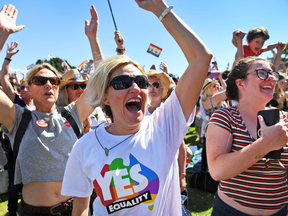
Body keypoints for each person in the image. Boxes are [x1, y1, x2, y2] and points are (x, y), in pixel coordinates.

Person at [61, 0, 212, 215]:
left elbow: (201, 59)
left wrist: (159, 8)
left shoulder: (163, 126)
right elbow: (81, 207)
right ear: (105, 97)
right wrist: (94, 40)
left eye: (141, 82)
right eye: (122, 84)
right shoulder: (85, 147)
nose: (135, 88)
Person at [0, 4, 102, 216]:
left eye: (53, 80)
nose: (48, 84)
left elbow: (102, 82)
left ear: (58, 86)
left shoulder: (72, 114)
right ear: (28, 87)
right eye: (40, 80)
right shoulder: (17, 117)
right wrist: (1, 35)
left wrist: (93, 38)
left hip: (75, 210)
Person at [206, 56, 288, 215]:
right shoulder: (225, 116)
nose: (271, 78)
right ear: (240, 83)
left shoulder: (285, 119)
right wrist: (265, 145)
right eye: (262, 73)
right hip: (232, 211)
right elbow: (217, 171)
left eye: (272, 74)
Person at [0, 41, 34, 109]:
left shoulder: (40, 105)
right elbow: (3, 78)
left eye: (27, 87)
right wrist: (8, 57)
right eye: (22, 87)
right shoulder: (17, 102)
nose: (24, 90)